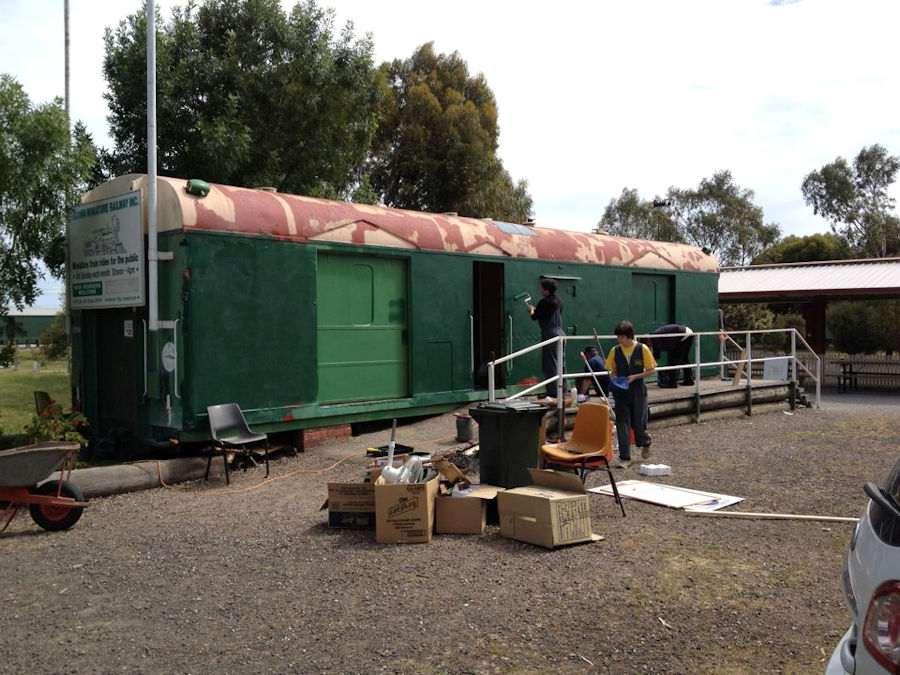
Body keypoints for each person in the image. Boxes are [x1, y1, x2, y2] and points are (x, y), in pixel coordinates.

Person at [605, 320, 656, 469]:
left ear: (628, 336)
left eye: (620, 337)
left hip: (638, 390)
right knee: (622, 423)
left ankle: (645, 441)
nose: (618, 339)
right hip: (621, 392)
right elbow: (611, 370)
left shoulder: (643, 348)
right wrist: (614, 378)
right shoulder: (615, 350)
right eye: (618, 337)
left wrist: (636, 376)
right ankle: (624, 457)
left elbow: (651, 370)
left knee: (638, 424)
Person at [527, 278, 565, 399]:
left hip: (550, 334)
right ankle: (562, 389)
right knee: (561, 362)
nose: (540, 290)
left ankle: (553, 392)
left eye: (542, 288)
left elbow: (535, 316)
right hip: (561, 333)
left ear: (546, 290)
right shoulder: (558, 301)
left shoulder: (544, 302)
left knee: (550, 363)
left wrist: (531, 310)